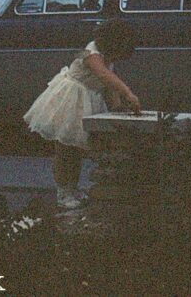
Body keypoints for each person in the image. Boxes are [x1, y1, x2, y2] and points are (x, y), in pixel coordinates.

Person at [23, 19, 141, 209]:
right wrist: (128, 92)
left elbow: (107, 85)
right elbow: (104, 75)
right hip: (71, 99)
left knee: (76, 149)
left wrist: (117, 107)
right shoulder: (89, 52)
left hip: (86, 99)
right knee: (65, 148)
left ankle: (72, 187)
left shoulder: (106, 56)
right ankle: (63, 191)